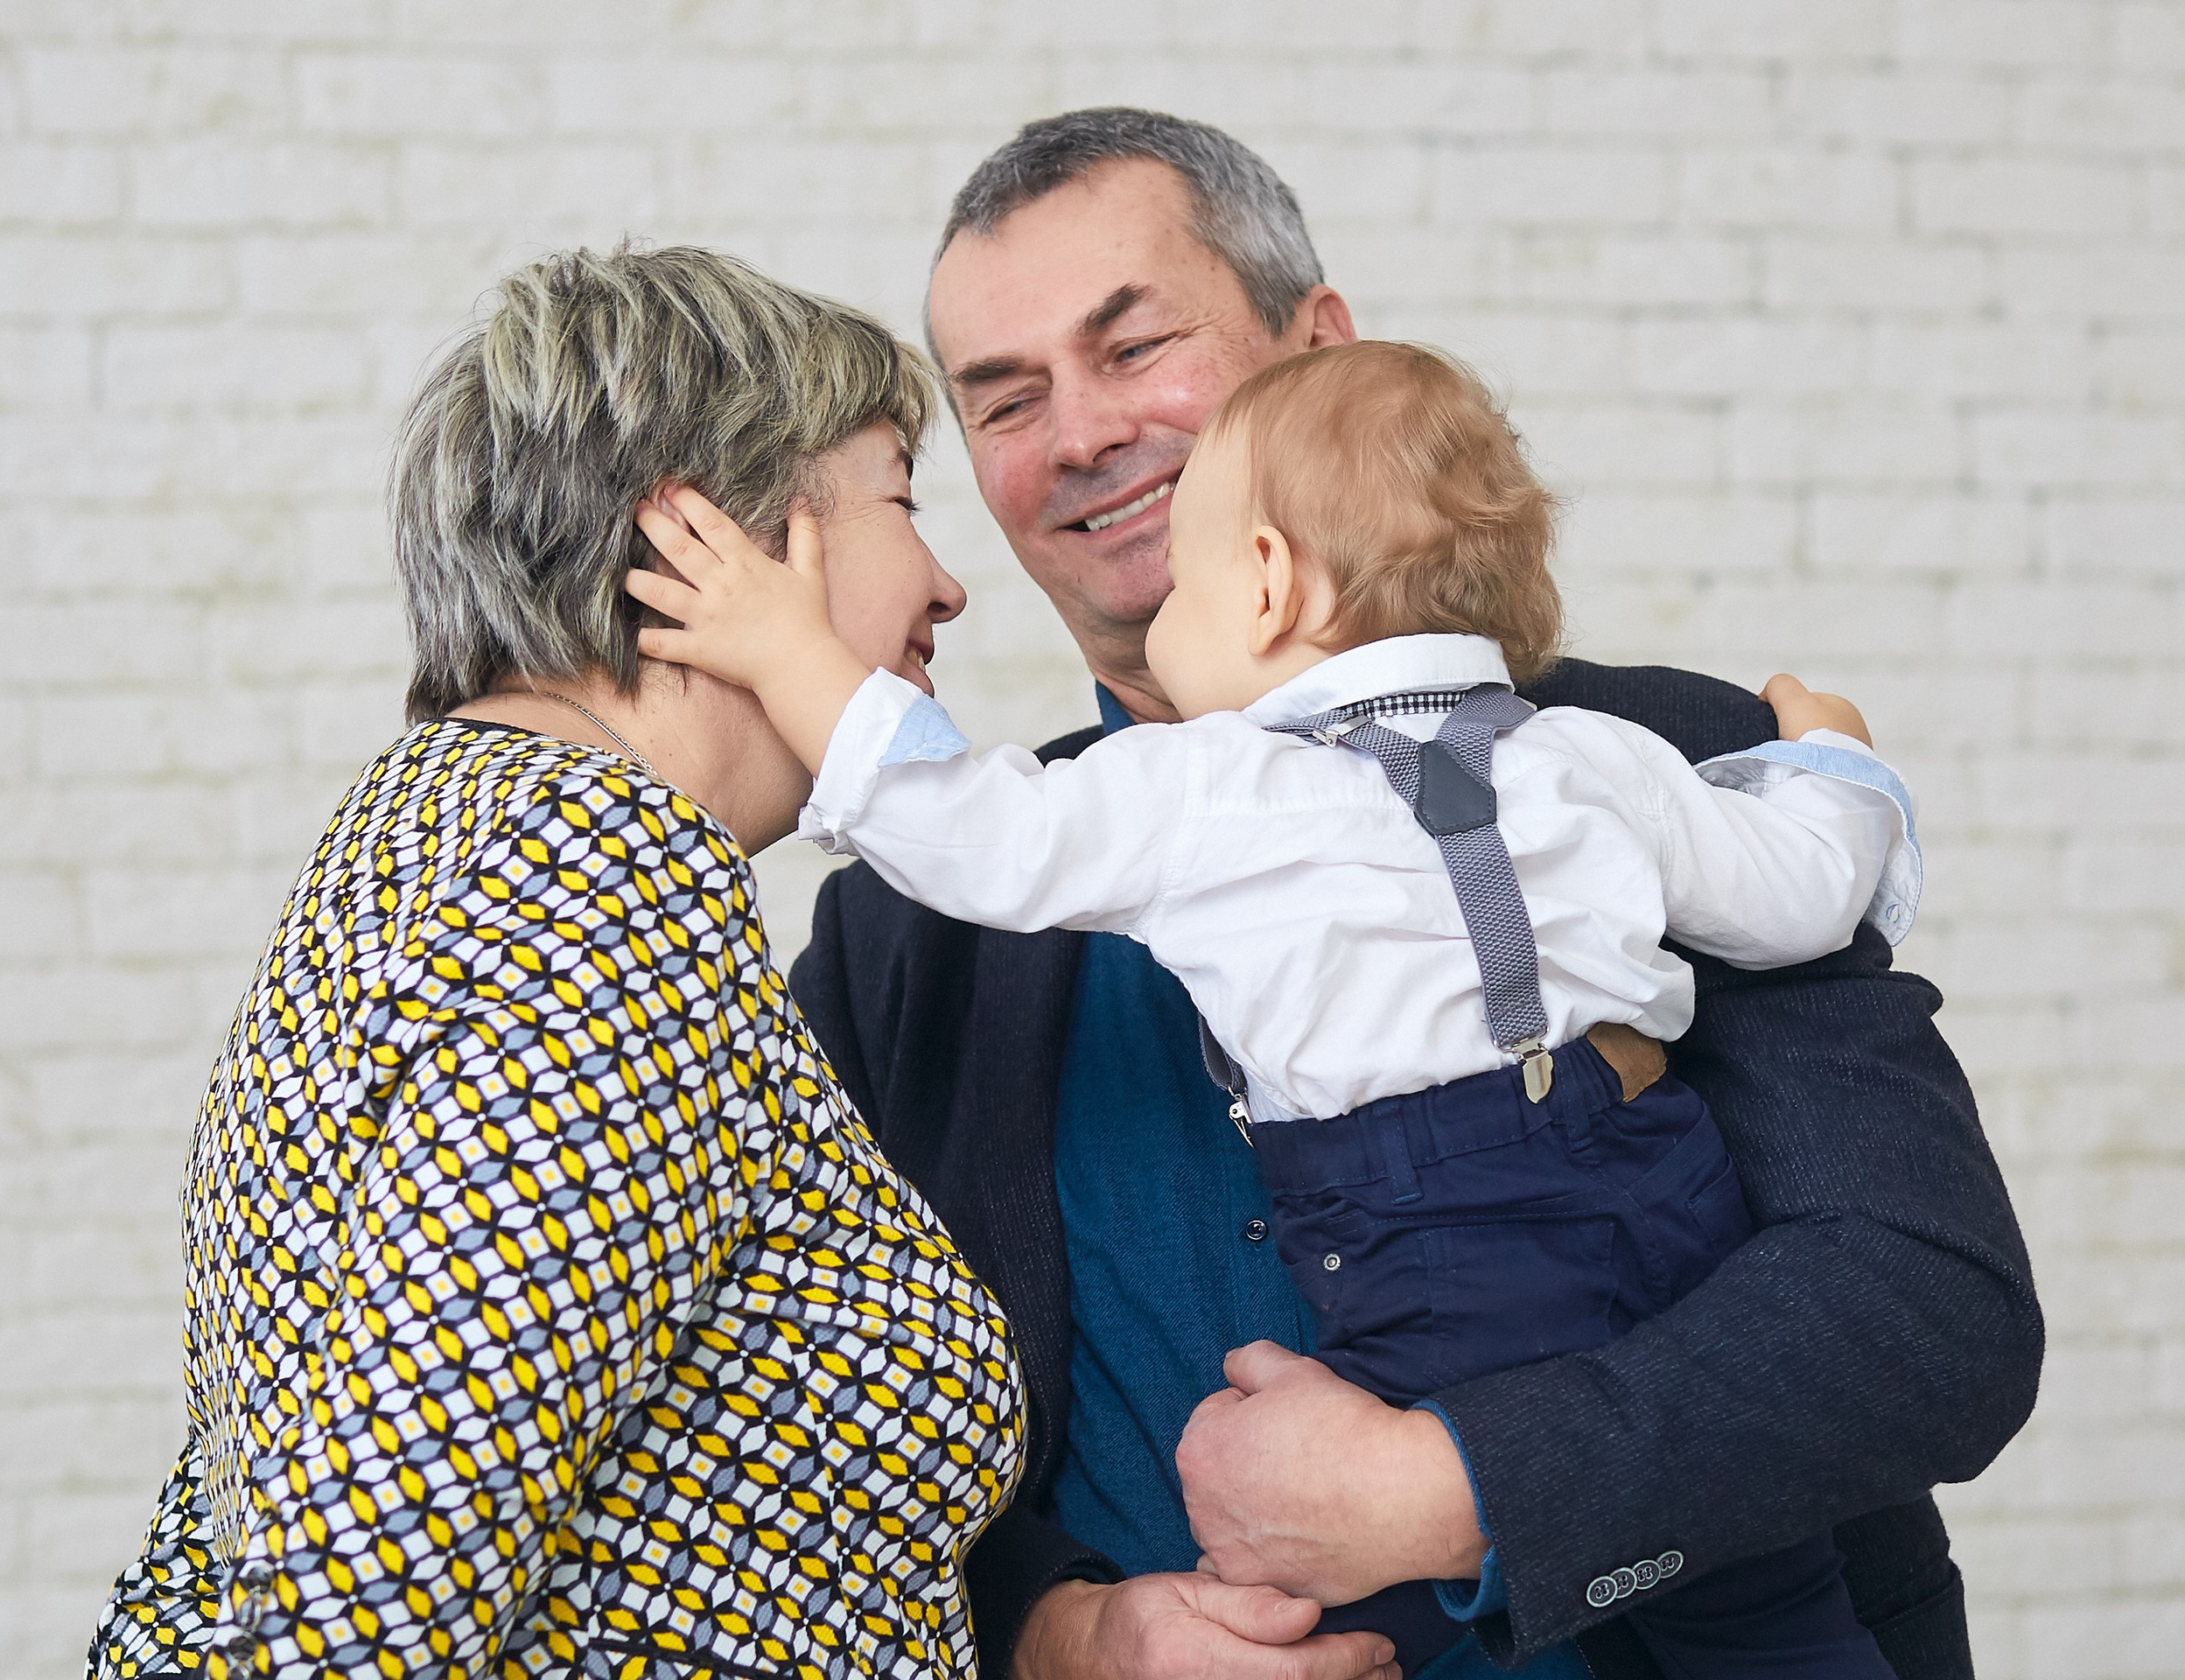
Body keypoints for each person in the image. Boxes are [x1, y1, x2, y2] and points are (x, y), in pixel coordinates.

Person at [789, 110, 2043, 1680]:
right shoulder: (907, 932)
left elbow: (1929, 1312)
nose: (1084, 435)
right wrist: (1061, 1637)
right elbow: (823, 1446)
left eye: (1136, 348)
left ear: (1319, 347)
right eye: (1008, 400)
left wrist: (1451, 1492)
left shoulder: (1660, 763)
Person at [623, 332, 1925, 1680]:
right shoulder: (1602, 759)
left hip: (1432, 1253)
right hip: (1668, 1205)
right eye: (1011, 397)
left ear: (1261, 585)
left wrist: (785, 648)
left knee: (1312, 1588)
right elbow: (1805, 897)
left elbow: (963, 826)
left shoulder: (1212, 786)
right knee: (1777, 1619)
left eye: (1182, 573)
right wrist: (1831, 759)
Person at [86, 245, 1024, 1680]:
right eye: (901, 497)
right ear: (703, 539)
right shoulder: (595, 878)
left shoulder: (440, 829)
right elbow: (368, 1600)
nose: (948, 585)